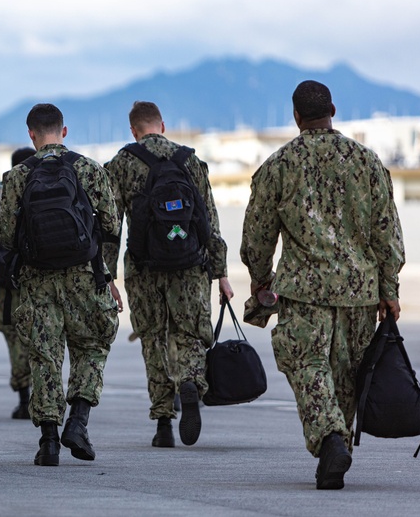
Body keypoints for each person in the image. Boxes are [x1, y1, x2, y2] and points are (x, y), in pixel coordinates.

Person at [240, 80, 404, 490]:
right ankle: (336, 447)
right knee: (347, 374)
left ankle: (331, 440)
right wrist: (390, 290)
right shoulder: (367, 162)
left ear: (296, 116)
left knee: (307, 365)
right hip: (360, 292)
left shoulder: (279, 165)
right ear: (333, 108)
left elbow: (257, 235)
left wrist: (260, 279)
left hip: (303, 292)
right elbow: (388, 234)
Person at [0, 103, 123, 466]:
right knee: (93, 346)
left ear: (31, 135)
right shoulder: (88, 169)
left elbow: (5, 234)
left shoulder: (18, 176)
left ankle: (48, 442)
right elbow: (112, 225)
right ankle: (78, 421)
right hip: (84, 275)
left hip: (37, 279)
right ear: (63, 132)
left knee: (44, 356)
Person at [103, 100, 234, 448]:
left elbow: (110, 227)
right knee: (189, 334)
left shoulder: (122, 163)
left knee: (154, 339)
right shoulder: (190, 160)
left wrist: (108, 277)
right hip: (190, 265)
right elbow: (210, 220)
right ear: (162, 125)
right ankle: (189, 382)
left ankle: (163, 422)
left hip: (144, 268)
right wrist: (221, 273)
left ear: (133, 130)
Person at [0, 146, 36, 419]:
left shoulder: (1, 196)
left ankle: (23, 395)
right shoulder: (42, 188)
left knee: (13, 334)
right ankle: (42, 395)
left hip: (8, 280)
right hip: (38, 278)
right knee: (39, 336)